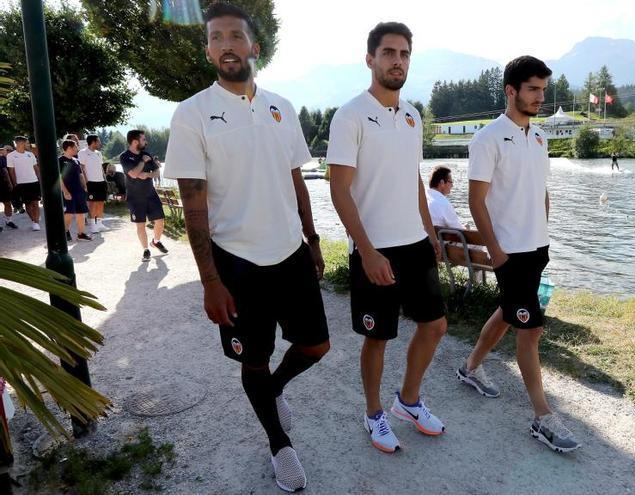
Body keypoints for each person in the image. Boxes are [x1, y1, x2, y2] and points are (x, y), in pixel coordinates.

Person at [163, 3, 329, 492]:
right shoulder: (192, 113)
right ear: (208, 49)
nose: (227, 44)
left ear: (256, 47)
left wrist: (313, 239)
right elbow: (193, 201)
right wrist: (210, 280)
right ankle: (280, 444)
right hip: (237, 262)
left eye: (237, 36)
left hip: (291, 253)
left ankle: (272, 390)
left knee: (316, 345)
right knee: (252, 359)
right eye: (216, 38)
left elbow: (296, 178)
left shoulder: (282, 106)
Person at [328, 21, 448, 455]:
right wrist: (366, 249)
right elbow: (338, 188)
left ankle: (408, 402)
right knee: (377, 336)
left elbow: (412, 177)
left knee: (435, 326)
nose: (397, 61)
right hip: (374, 247)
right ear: (370, 59)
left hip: (414, 243)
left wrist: (429, 230)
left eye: (404, 54)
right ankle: (374, 412)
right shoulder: (351, 115)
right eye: (389, 53)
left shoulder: (413, 114)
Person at [457, 56, 581, 453]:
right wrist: (495, 252)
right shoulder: (488, 139)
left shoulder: (540, 137)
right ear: (511, 91)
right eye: (533, 89)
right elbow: (476, 201)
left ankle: (470, 367)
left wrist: (543, 228)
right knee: (531, 328)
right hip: (508, 251)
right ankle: (543, 418)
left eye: (543, 89)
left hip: (536, 246)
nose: (540, 97)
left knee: (511, 312)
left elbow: (541, 190)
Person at [120, 130, 167, 262]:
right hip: (135, 197)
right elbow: (134, 174)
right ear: (135, 142)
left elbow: (157, 172)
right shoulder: (125, 156)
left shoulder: (146, 154)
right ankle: (146, 250)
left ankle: (156, 241)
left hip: (151, 194)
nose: (146, 142)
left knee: (160, 220)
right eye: (143, 139)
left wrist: (148, 175)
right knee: (141, 225)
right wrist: (142, 162)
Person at [59, 140, 91, 242]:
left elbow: (80, 175)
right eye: (75, 147)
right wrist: (65, 191)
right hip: (68, 191)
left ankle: (81, 234)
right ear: (69, 148)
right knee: (69, 213)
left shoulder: (76, 160)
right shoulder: (60, 160)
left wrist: (85, 187)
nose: (77, 148)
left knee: (81, 213)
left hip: (79, 191)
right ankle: (64, 232)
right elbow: (58, 178)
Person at [7, 136, 41, 231]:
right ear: (19, 143)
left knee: (35, 202)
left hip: (33, 181)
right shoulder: (10, 156)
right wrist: (15, 184)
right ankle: (34, 221)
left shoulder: (30, 154)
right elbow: (11, 171)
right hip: (21, 184)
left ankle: (36, 222)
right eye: (26, 143)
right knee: (28, 204)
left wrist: (40, 179)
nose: (27, 144)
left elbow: (36, 168)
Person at [78, 134, 108, 233]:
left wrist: (104, 179)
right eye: (98, 141)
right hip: (91, 182)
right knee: (92, 204)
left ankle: (99, 223)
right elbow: (81, 168)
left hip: (101, 182)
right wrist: (86, 183)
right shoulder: (82, 153)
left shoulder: (99, 153)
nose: (100, 143)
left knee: (100, 203)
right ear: (93, 142)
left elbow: (100, 168)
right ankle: (92, 225)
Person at [426, 166, 466, 230]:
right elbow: (459, 229)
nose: (452, 185)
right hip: (440, 239)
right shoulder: (443, 203)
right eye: (451, 182)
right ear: (442, 183)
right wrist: (466, 227)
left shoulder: (424, 198)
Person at [0, 145, 17, 231]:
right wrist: (10, 184)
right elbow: (5, 171)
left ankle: (9, 221)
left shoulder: (5, 159)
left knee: (7, 203)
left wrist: (10, 183)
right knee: (7, 203)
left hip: (3, 185)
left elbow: (7, 171)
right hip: (4, 184)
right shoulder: (2, 158)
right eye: (8, 150)